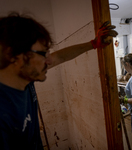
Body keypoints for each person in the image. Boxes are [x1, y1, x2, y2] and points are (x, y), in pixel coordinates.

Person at [0, 12, 118, 150]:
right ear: (14, 56)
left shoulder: (24, 77)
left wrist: (93, 43)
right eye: (43, 54)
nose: (49, 61)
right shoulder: (3, 112)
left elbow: (60, 57)